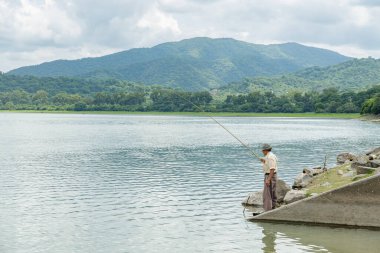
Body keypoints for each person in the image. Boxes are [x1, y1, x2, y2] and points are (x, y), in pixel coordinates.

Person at [260, 143, 278, 211]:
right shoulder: (269, 156)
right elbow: (269, 165)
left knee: (267, 194)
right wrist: (264, 161)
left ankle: (267, 210)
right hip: (271, 175)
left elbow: (272, 169)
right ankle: (273, 208)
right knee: (271, 193)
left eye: (263, 150)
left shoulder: (270, 157)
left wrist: (268, 179)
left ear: (265, 150)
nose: (262, 152)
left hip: (270, 176)